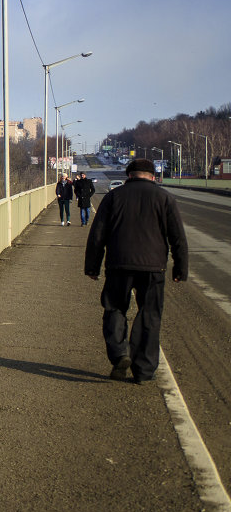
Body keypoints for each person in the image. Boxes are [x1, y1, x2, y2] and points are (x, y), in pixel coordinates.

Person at [84, 158, 188, 384]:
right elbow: (178, 238)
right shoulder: (165, 198)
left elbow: (97, 235)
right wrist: (180, 268)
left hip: (118, 264)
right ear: (153, 176)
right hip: (153, 267)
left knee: (114, 309)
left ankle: (120, 354)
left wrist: (92, 266)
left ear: (128, 175)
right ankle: (143, 370)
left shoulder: (113, 197)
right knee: (149, 315)